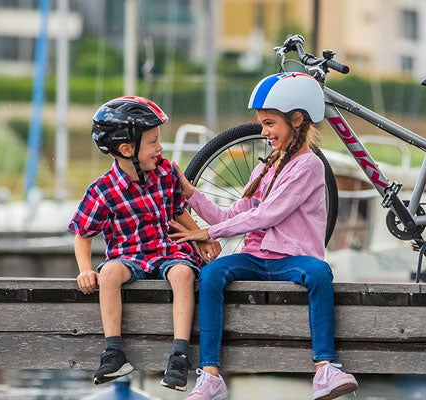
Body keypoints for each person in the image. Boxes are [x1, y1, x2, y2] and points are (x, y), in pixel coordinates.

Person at [173, 73, 358, 400]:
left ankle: (325, 368)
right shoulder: (265, 167)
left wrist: (208, 232)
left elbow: (269, 213)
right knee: (213, 273)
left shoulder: (309, 165)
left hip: (294, 259)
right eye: (261, 123)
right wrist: (191, 194)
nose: (264, 132)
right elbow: (234, 215)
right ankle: (211, 375)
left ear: (297, 119)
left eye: (270, 123)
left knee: (319, 273)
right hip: (256, 258)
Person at [70, 96, 221, 391]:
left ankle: (179, 354)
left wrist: (201, 238)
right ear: (127, 149)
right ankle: (113, 352)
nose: (160, 148)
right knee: (109, 274)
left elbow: (178, 210)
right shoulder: (102, 190)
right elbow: (83, 234)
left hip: (168, 250)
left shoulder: (165, 173)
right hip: (130, 255)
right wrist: (86, 269)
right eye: (152, 142)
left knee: (183, 274)